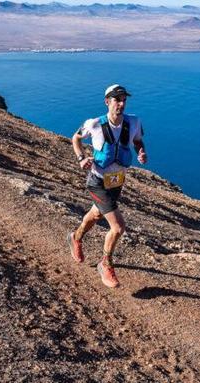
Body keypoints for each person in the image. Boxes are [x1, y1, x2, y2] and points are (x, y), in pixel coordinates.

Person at [68, 84, 147, 288]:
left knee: (95, 215)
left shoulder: (134, 122)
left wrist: (140, 152)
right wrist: (81, 158)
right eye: (116, 100)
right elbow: (75, 138)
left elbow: (137, 141)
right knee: (118, 227)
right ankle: (105, 263)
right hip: (97, 182)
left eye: (123, 100)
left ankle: (75, 238)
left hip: (117, 182)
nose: (121, 104)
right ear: (107, 102)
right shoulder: (94, 124)